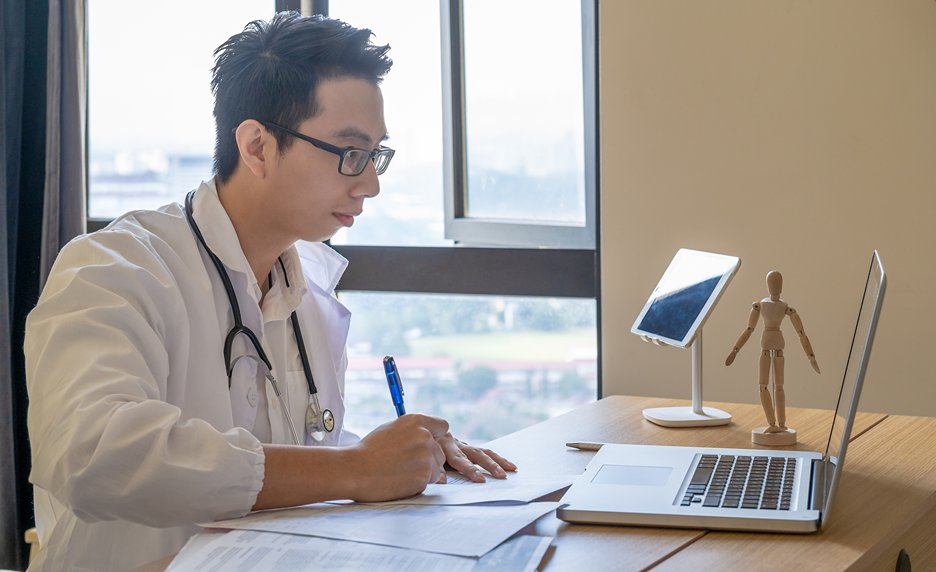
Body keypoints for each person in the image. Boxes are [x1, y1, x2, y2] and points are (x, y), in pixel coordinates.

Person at [24, 12, 515, 571]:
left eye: (377, 154)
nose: (371, 183)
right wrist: (357, 468)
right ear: (256, 146)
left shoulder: (304, 285)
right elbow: (95, 455)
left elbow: (297, 449)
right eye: (350, 153)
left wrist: (407, 455)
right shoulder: (116, 268)